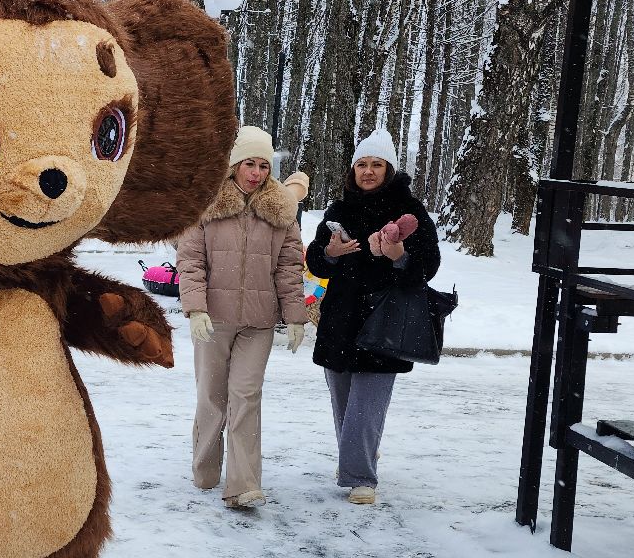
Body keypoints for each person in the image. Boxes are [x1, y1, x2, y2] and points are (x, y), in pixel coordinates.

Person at [303, 128, 440, 506]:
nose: (368, 171)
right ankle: (360, 455)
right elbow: (316, 261)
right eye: (361, 164)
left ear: (389, 169)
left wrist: (399, 256)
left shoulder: (410, 212)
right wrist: (329, 252)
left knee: (368, 402)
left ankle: (361, 477)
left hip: (385, 319)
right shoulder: (338, 210)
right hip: (340, 319)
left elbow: (429, 266)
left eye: (376, 164)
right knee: (344, 401)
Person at [176, 126, 309, 510]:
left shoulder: (281, 211)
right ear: (234, 163)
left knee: (246, 397)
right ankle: (205, 470)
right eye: (249, 163)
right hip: (213, 321)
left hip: (258, 322)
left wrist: (295, 316)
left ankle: (243, 485)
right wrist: (196, 308)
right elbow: (191, 261)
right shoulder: (206, 204)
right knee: (211, 398)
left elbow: (288, 267)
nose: (256, 172)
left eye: (264, 165)